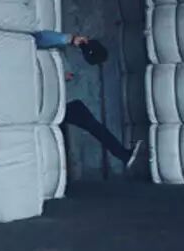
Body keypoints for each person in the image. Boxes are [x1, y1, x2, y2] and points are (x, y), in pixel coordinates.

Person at [34, 30, 143, 173]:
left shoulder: (65, 49)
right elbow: (39, 39)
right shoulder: (61, 45)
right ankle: (123, 155)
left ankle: (123, 155)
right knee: (91, 125)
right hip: (55, 99)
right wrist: (70, 40)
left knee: (90, 125)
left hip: (60, 98)